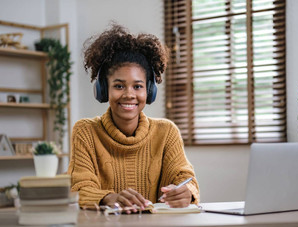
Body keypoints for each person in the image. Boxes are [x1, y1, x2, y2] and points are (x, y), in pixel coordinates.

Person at [67, 23, 199, 213]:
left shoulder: (166, 132)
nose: (129, 95)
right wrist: (109, 197)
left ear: (149, 91)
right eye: (119, 86)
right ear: (103, 89)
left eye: (137, 86)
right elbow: (79, 188)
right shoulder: (86, 131)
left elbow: (184, 177)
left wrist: (186, 192)